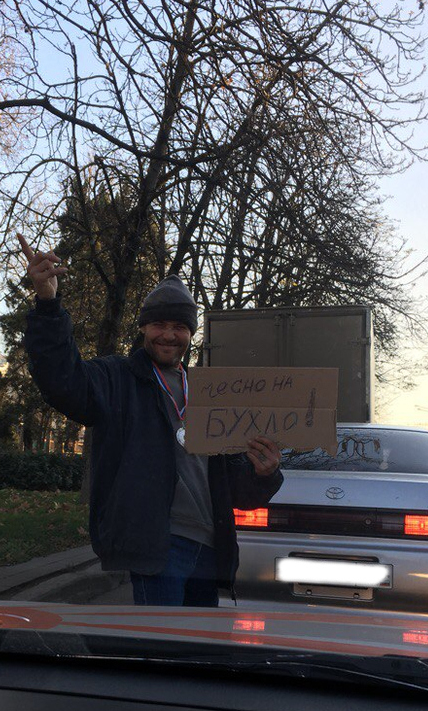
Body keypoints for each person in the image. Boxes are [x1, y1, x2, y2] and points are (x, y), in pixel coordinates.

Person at [19, 235, 283, 606]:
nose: (169, 334)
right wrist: (48, 304)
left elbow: (237, 491)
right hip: (159, 546)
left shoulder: (213, 394)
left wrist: (264, 472)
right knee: (162, 653)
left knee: (196, 655)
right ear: (143, 327)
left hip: (211, 549)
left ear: (191, 333)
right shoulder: (117, 379)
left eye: (180, 326)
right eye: (159, 323)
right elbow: (62, 381)